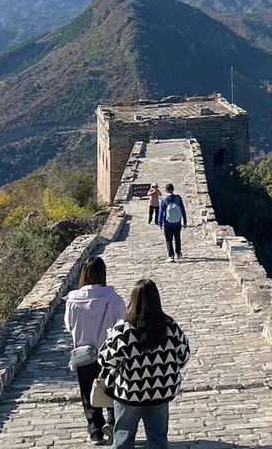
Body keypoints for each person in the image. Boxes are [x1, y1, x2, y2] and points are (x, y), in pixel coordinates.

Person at [99, 278, 190, 449]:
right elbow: (184, 355)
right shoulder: (169, 326)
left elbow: (105, 360)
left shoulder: (124, 329)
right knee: (158, 440)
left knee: (123, 439)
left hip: (129, 393)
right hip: (161, 390)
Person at [64, 256, 126, 445]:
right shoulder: (113, 298)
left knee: (87, 394)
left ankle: (95, 431)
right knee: (113, 391)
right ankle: (112, 423)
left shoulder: (72, 301)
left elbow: (69, 326)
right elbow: (122, 322)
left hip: (84, 354)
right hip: (110, 354)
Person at [159, 183, 187, 262]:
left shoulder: (164, 200)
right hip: (177, 222)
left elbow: (161, 212)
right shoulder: (178, 198)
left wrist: (160, 222)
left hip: (167, 223)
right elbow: (182, 209)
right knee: (177, 238)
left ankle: (171, 256)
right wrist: (184, 221)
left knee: (169, 240)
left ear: (166, 190)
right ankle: (178, 253)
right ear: (173, 189)